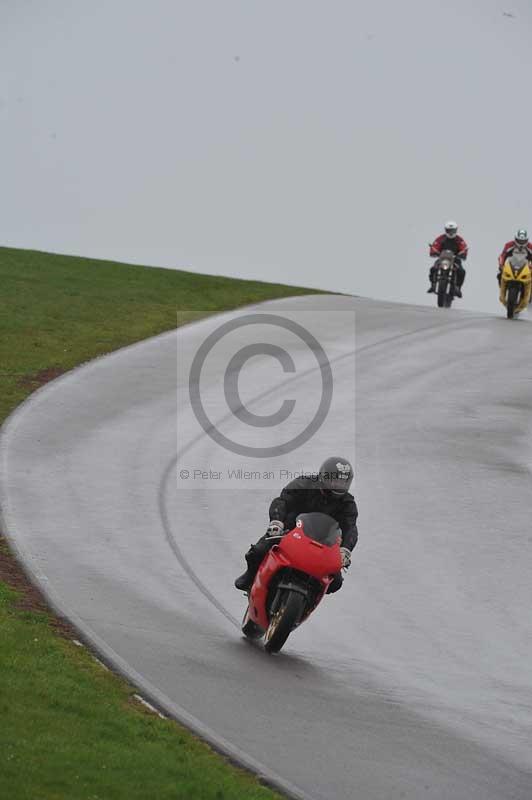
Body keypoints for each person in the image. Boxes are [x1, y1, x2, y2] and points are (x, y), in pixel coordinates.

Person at [234, 457, 358, 594]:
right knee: (257, 552)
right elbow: (282, 501)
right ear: (324, 476)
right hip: (290, 533)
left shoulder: (348, 504)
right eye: (335, 480)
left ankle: (310, 597)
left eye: (342, 483)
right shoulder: (304, 483)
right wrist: (276, 521)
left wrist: (345, 550)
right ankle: (250, 577)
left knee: (336, 582)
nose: (337, 486)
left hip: (322, 545)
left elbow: (350, 527)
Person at [427, 221, 468, 297]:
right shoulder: (441, 238)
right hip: (442, 258)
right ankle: (433, 285)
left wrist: (463, 254)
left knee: (461, 271)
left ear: (456, 230)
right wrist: (433, 251)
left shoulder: (459, 240)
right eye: (449, 230)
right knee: (433, 268)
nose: (451, 232)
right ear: (446, 230)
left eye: (453, 230)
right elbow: (435, 245)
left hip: (455, 259)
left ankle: (457, 288)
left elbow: (464, 247)